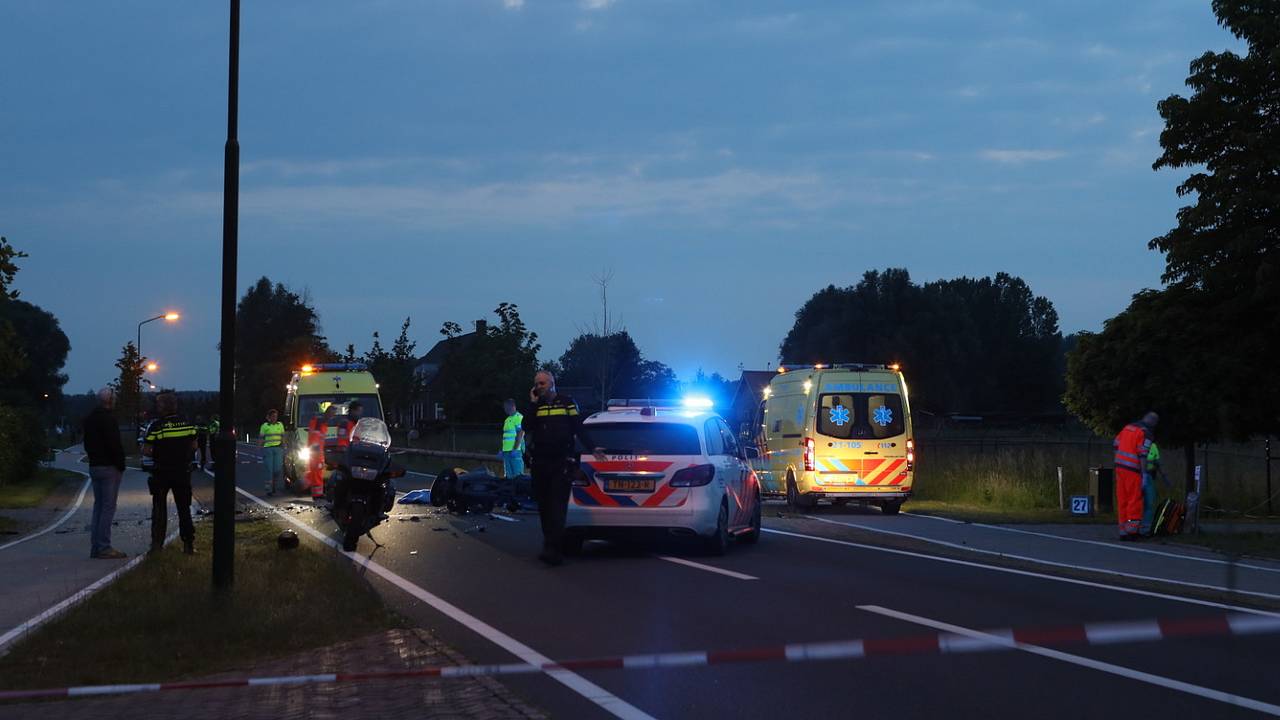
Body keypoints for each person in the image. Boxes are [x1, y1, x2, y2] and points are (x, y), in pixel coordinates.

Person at [521, 370, 604, 566]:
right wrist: (532, 404)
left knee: (557, 506)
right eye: (536, 384)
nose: (538, 387)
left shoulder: (567, 403)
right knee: (544, 506)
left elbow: (578, 427)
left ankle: (553, 549)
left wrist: (592, 447)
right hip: (540, 462)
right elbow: (527, 425)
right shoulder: (536, 405)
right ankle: (548, 544)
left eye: (542, 383)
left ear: (552, 383)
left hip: (561, 462)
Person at [143, 393, 198, 554]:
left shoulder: (157, 426)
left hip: (162, 472)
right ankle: (188, 544)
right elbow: (194, 445)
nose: (157, 407)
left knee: (159, 509)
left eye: (158, 405)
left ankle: (156, 546)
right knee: (184, 509)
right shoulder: (187, 423)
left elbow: (146, 451)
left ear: (163, 407)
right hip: (182, 472)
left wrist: (159, 454)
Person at [82, 387, 127, 560]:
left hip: (95, 465)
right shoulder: (109, 419)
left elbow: (87, 443)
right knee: (108, 507)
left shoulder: (90, 419)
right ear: (111, 400)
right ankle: (104, 546)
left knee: (98, 507)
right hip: (109, 467)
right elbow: (114, 444)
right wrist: (120, 465)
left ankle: (96, 546)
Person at [1113, 411, 1158, 541]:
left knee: (1123, 500)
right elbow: (1142, 454)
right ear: (1154, 423)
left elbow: (1115, 444)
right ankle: (1132, 532)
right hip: (1133, 470)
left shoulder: (1128, 428)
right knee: (1134, 500)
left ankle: (1123, 531)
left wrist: (1119, 460)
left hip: (1120, 468)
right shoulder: (1146, 434)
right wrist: (1144, 474)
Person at [1140, 440, 1172, 536]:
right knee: (1144, 504)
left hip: (1147, 477)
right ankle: (1141, 528)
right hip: (1140, 477)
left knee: (1149, 503)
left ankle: (1144, 528)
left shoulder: (1152, 446)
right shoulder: (1148, 445)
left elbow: (1157, 463)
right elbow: (1157, 464)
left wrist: (1165, 478)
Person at [306, 404, 337, 501]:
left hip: (317, 452)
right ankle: (316, 494)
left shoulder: (322, 422)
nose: (332, 416)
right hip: (316, 452)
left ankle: (317, 493)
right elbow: (315, 438)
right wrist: (317, 452)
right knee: (316, 472)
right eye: (332, 414)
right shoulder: (319, 422)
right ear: (328, 412)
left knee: (317, 472)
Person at [259, 409, 285, 496]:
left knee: (277, 469)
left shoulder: (280, 425)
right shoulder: (264, 426)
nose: (275, 418)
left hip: (278, 449)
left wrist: (284, 446)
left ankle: (274, 485)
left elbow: (283, 436)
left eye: (276, 416)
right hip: (268, 449)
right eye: (273, 416)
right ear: (269, 417)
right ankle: (269, 489)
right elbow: (261, 438)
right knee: (269, 470)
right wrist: (260, 447)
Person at [500, 398, 525, 478]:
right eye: (504, 407)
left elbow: (520, 434)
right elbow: (506, 437)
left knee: (518, 476)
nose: (505, 409)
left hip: (515, 451)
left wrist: (515, 448)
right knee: (508, 476)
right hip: (506, 452)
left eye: (506, 407)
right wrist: (502, 450)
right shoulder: (507, 420)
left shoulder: (519, 417)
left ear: (512, 406)